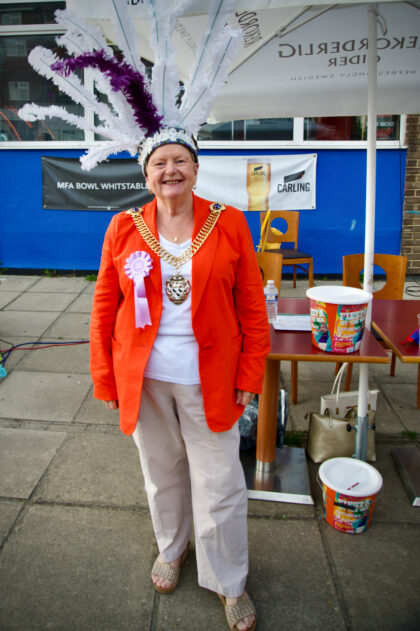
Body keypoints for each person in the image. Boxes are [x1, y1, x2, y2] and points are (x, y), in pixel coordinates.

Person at [89, 132, 270, 631]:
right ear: (145, 174)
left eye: (180, 161)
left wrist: (249, 374)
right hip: (145, 380)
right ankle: (172, 549)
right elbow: (105, 304)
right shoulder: (123, 227)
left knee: (221, 483)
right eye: (159, 163)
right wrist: (105, 378)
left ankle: (229, 581)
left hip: (210, 379)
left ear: (195, 168)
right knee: (161, 474)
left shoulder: (229, 222)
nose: (170, 171)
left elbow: (252, 308)